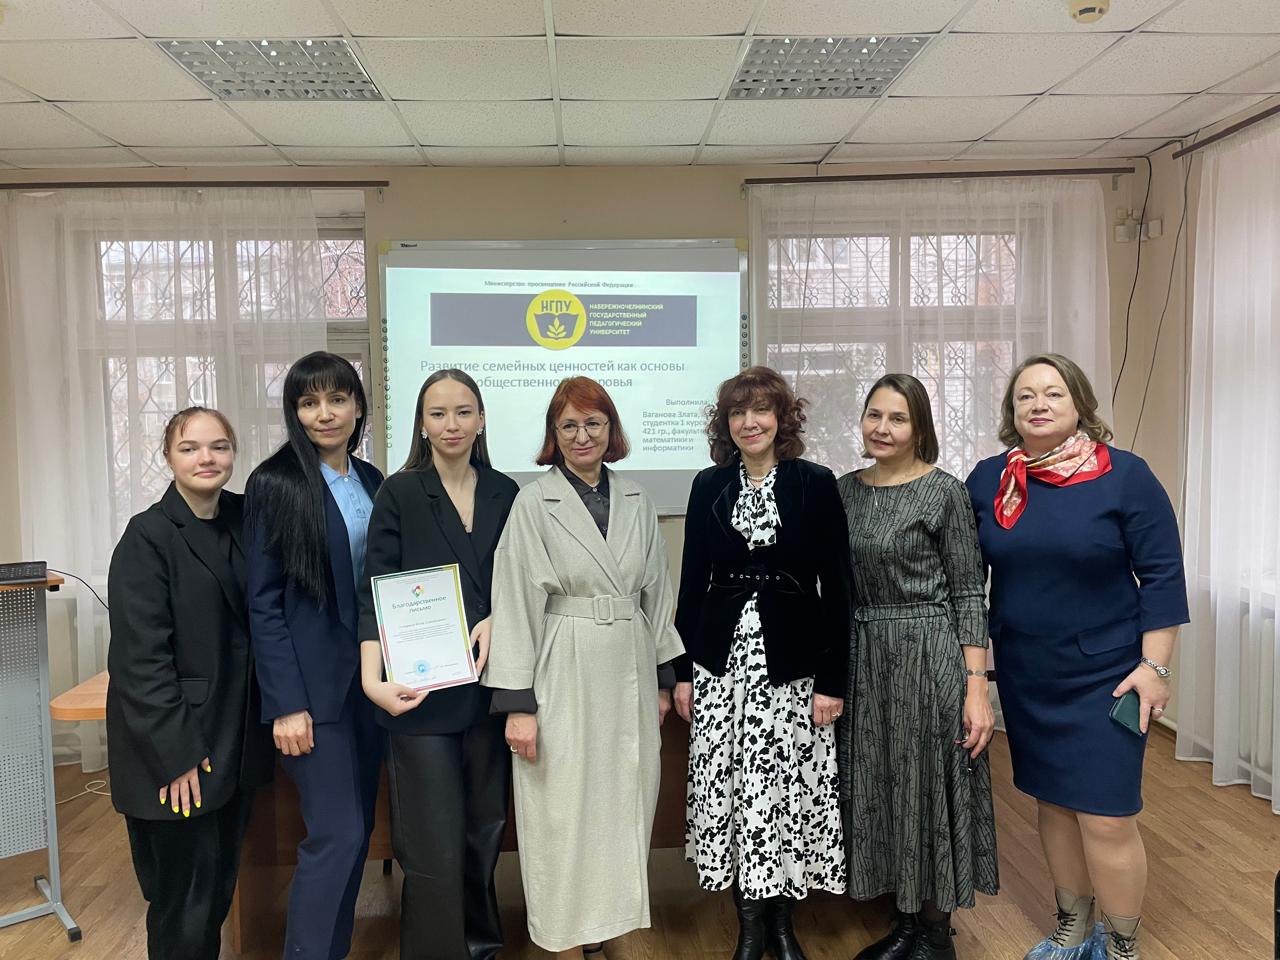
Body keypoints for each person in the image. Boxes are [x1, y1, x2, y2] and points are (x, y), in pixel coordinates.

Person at [965, 354, 1188, 960]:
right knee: (1054, 802)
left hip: (1109, 677)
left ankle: (1121, 946)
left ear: (1079, 404)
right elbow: (967, 579)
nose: (1038, 404)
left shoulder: (1125, 475)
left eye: (1053, 393)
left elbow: (1163, 577)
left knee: (1108, 815)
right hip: (1028, 672)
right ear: (1012, 412)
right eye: (1025, 396)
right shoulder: (990, 479)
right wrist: (975, 673)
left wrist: (1155, 668)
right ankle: (1073, 925)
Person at [482, 376, 684, 959]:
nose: (581, 435)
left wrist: (664, 678)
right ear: (554, 433)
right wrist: (518, 705)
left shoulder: (638, 498)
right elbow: (515, 602)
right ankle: (563, 933)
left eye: (593, 423)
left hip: (628, 663)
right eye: (568, 425)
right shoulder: (532, 502)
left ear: (610, 429)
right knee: (562, 802)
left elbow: (656, 592)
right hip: (562, 661)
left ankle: (608, 924)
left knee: (623, 800)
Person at [674, 365, 851, 960]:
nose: (749, 422)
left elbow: (838, 589)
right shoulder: (708, 485)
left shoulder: (815, 483)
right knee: (734, 789)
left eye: (761, 410)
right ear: (726, 423)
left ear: (782, 418)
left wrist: (832, 679)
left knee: (785, 792)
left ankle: (782, 925)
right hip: (721, 663)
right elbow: (691, 583)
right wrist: (683, 671)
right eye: (737, 412)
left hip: (794, 664)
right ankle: (750, 927)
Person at [836, 375, 999, 960]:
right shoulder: (843, 491)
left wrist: (976, 688)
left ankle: (935, 933)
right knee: (883, 783)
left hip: (930, 656)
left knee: (929, 785)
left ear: (919, 427)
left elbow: (969, 592)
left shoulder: (943, 492)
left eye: (897, 418)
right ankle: (904, 921)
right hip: (865, 657)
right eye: (873, 415)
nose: (881, 428)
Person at [358, 369, 518, 960]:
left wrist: (500, 615)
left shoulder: (506, 492)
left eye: (463, 411)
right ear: (421, 425)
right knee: (431, 841)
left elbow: (523, 581)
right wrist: (372, 679)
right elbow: (374, 590)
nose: (452, 424)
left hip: (489, 690)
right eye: (438, 413)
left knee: (484, 831)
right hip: (419, 694)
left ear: (481, 420)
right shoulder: (400, 493)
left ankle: (481, 948)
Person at [106, 406, 274, 960]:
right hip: (175, 753)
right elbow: (140, 662)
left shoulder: (247, 518)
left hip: (234, 740)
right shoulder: (147, 536)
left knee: (217, 889)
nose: (207, 458)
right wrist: (175, 756)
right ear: (168, 456)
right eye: (190, 447)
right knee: (184, 903)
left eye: (219, 446)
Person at [245, 351, 383, 960]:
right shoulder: (275, 483)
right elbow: (263, 604)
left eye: (337, 399)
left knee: (358, 833)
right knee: (337, 833)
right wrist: (286, 704)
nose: (324, 414)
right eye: (308, 402)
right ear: (294, 412)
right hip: (311, 695)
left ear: (357, 407)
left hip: (371, 687)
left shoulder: (372, 480)